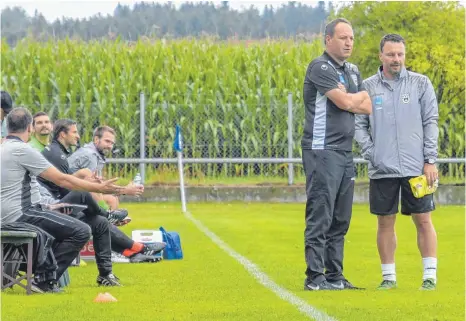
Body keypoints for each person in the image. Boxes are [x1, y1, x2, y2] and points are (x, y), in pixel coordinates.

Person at [0, 107, 123, 292]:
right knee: (81, 230)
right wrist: (100, 188)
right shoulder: (22, 150)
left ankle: (49, 275)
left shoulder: (3, 146)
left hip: (15, 212)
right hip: (22, 214)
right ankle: (44, 280)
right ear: (30, 129)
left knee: (89, 222)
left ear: (8, 126)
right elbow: (61, 179)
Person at [355, 34, 439, 291]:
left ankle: (429, 277)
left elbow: (431, 122)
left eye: (400, 54)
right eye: (391, 54)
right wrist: (373, 153)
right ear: (381, 56)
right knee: (384, 222)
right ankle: (389, 278)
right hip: (382, 169)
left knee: (423, 220)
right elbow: (358, 125)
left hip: (417, 169)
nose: (396, 59)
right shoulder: (368, 87)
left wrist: (430, 160)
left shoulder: (420, 84)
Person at [301, 18, 372, 291]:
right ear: (328, 39)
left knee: (341, 218)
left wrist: (351, 99)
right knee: (321, 213)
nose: (349, 42)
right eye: (343, 38)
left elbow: (367, 106)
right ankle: (315, 277)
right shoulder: (320, 67)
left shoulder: (352, 71)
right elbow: (345, 102)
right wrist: (351, 99)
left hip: (345, 153)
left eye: (351, 38)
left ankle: (335, 276)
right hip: (322, 151)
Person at [38, 118, 165, 264]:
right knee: (100, 214)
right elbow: (74, 188)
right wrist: (122, 192)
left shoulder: (62, 152)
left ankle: (133, 251)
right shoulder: (86, 156)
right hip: (49, 206)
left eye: (112, 143)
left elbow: (79, 184)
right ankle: (131, 246)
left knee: (99, 219)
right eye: (107, 141)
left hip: (57, 200)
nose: (78, 136)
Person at [68, 125, 137, 210]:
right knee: (111, 200)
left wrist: (123, 190)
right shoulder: (90, 156)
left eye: (112, 143)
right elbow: (93, 186)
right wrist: (124, 190)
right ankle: (107, 217)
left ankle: (110, 220)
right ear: (96, 139)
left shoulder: (94, 153)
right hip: (68, 193)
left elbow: (97, 184)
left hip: (76, 190)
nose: (110, 146)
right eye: (107, 141)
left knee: (112, 199)